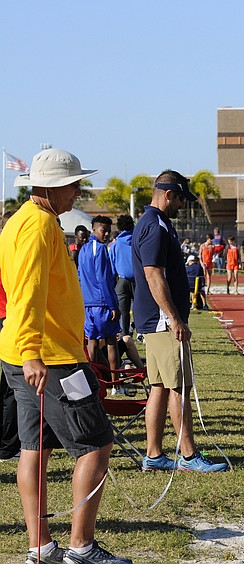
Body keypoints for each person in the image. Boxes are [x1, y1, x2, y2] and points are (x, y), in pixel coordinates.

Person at [0, 148, 132, 564]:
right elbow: (27, 294)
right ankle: (82, 547)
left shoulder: (20, 222)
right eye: (73, 184)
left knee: (34, 448)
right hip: (50, 358)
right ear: (52, 187)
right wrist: (33, 352)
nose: (78, 191)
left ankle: (40, 546)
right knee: (95, 445)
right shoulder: (39, 226)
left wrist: (25, 351)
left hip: (25, 354)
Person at [132, 170, 227, 474]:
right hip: (162, 321)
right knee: (179, 387)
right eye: (181, 200)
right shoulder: (155, 227)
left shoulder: (155, 224)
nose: (183, 206)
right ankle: (188, 456)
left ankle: (154, 454)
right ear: (169, 194)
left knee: (159, 387)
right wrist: (174, 317)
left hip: (155, 320)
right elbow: (153, 274)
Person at [78, 215, 123, 380]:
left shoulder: (83, 249)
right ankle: (115, 383)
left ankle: (95, 380)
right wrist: (113, 305)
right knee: (111, 341)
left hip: (87, 304)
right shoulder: (101, 249)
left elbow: (80, 276)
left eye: (109, 231)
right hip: (102, 303)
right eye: (104, 231)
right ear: (94, 229)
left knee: (92, 342)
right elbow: (104, 279)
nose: (107, 235)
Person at [0, 210, 21, 463]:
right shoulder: (10, 250)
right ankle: (7, 446)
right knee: (11, 388)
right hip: (8, 318)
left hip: (7, 316)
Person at [109, 215, 138, 357]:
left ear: (119, 228)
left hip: (122, 280)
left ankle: (125, 336)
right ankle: (140, 332)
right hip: (138, 280)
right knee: (140, 309)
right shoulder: (137, 241)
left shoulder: (115, 245)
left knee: (123, 312)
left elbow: (112, 265)